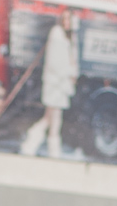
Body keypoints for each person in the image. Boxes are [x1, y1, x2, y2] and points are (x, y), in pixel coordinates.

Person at [20, 9, 76, 158]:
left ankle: (31, 144)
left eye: (69, 19)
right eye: (64, 19)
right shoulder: (57, 34)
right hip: (55, 84)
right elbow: (56, 62)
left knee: (50, 118)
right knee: (54, 119)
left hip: (60, 84)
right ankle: (51, 151)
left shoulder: (66, 35)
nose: (67, 22)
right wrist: (69, 73)